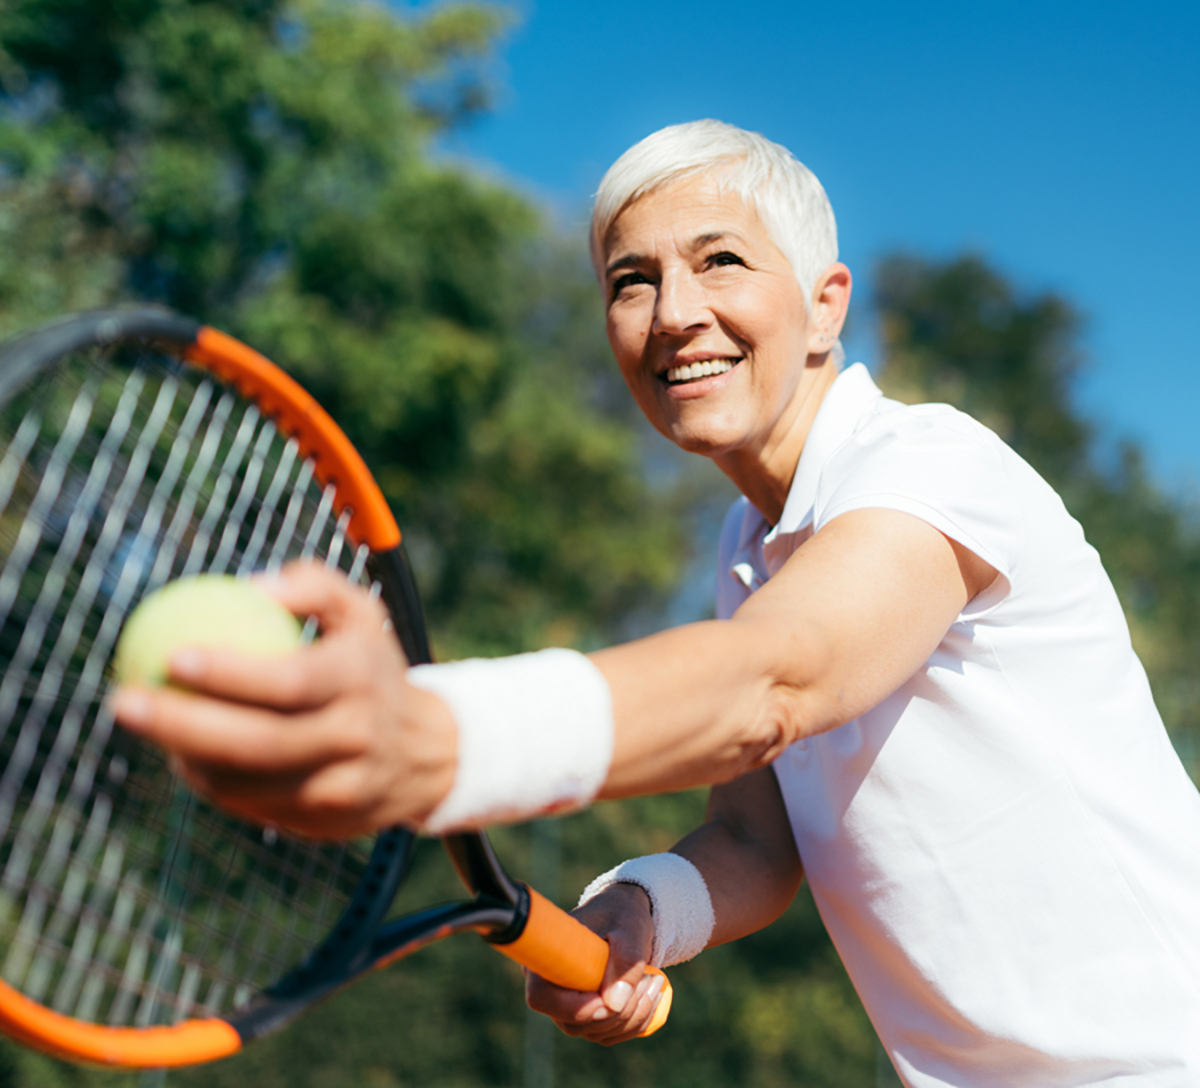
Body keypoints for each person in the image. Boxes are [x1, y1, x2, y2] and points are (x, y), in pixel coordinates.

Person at [113, 121, 1200, 1085]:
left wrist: (435, 735)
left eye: (718, 259)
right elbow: (757, 839)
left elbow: (780, 680)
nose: (674, 314)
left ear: (825, 307)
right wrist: (640, 912)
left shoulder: (932, 465)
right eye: (629, 281)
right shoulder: (749, 553)